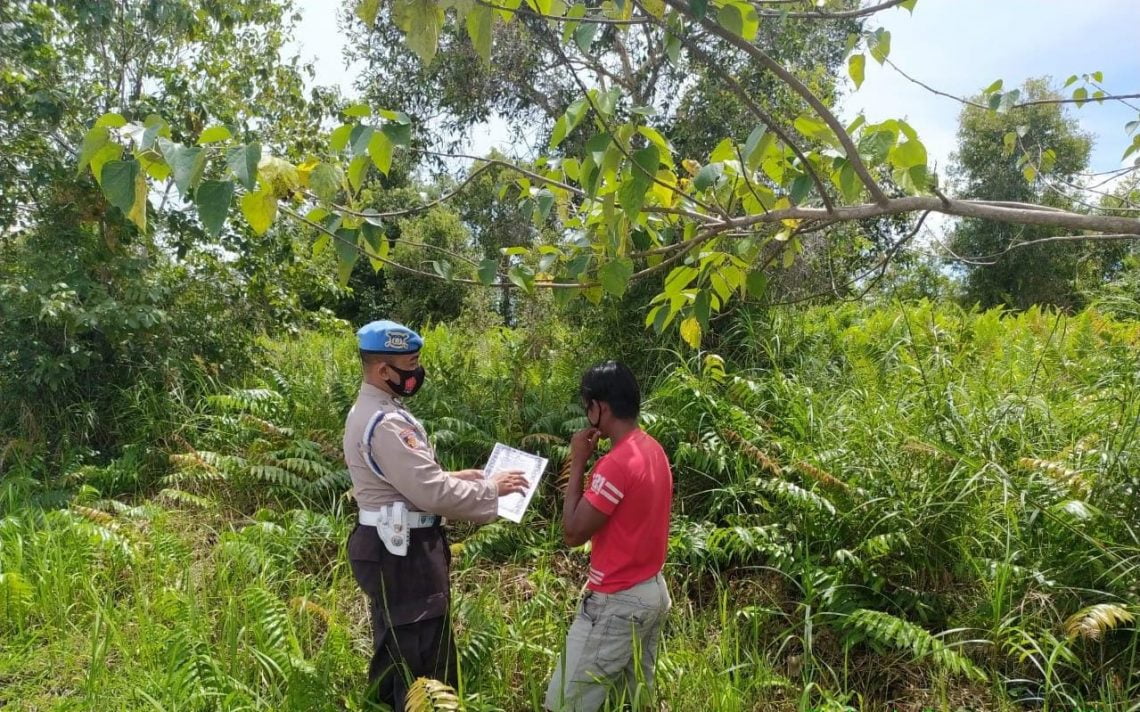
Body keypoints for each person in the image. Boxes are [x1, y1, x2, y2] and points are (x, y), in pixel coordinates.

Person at [343, 319, 528, 710]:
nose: (415, 373)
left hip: (396, 547)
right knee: (417, 662)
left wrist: (462, 476)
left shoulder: (375, 409)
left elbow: (408, 481)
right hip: (403, 555)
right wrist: (492, 489)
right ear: (382, 370)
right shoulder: (386, 423)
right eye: (409, 365)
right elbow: (432, 493)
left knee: (400, 651)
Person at [546, 361, 674, 711]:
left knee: (562, 704)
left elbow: (572, 532)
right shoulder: (652, 449)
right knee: (631, 701)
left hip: (618, 601)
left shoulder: (616, 464)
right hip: (652, 590)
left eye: (587, 405)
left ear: (599, 407)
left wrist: (577, 462)